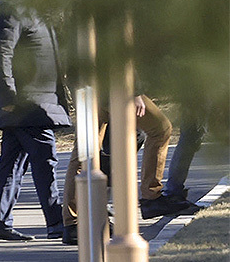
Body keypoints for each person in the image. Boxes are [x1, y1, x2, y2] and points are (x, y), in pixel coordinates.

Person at [0, 0, 69, 242]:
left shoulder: (35, 11)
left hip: (37, 102)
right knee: (45, 159)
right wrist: (8, 96)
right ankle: (57, 222)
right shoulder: (10, 10)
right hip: (26, 104)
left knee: (12, 163)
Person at [61, 95, 195, 244]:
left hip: (89, 89)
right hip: (115, 88)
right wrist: (134, 93)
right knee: (160, 129)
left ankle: (73, 223)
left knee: (85, 151)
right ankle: (151, 196)